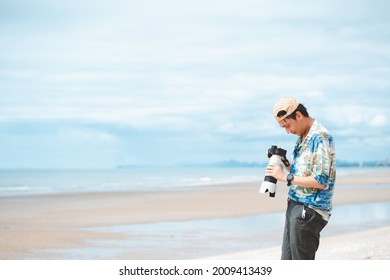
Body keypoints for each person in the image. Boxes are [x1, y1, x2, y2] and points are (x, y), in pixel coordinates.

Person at [265, 97, 336, 260]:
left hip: (309, 210)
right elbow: (301, 173)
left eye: (287, 126)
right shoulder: (303, 138)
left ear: (298, 115)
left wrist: (284, 177)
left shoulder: (320, 137)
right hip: (295, 206)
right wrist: (284, 162)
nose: (287, 131)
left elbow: (320, 181)